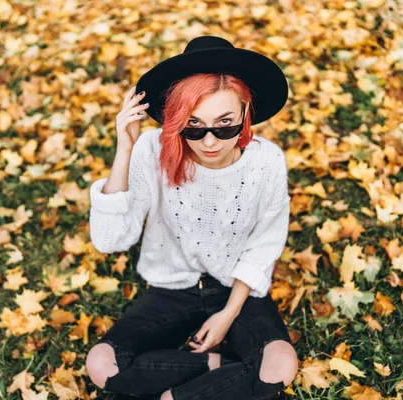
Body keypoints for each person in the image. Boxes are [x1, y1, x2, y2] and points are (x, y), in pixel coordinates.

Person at [85, 35, 297, 400]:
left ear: (247, 113)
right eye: (193, 125)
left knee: (281, 363)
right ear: (176, 120)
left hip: (235, 289)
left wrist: (228, 314)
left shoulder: (267, 161)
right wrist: (126, 148)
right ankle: (217, 370)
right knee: (102, 363)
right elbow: (110, 240)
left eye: (225, 123)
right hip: (172, 288)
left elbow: (265, 243)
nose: (210, 140)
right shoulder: (153, 150)